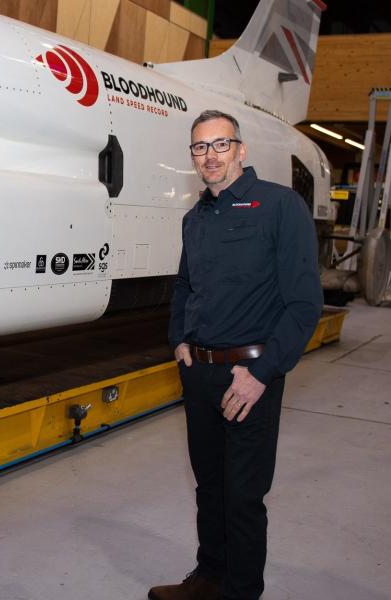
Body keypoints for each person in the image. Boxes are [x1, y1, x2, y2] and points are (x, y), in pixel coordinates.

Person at [152, 110, 323, 600]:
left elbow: (304, 304)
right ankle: (210, 577)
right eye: (200, 147)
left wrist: (262, 372)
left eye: (220, 144)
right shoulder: (195, 217)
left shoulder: (279, 207)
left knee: (243, 496)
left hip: (249, 376)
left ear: (241, 150)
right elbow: (186, 286)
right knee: (209, 485)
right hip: (199, 372)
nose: (210, 155)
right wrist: (179, 339)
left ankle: (241, 592)